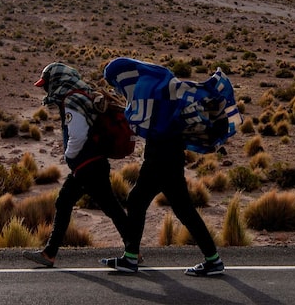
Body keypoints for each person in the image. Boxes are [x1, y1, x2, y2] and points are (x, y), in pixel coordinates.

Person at [100, 57, 241, 277]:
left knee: (138, 201)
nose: (117, 88)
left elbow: (141, 120)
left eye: (115, 83)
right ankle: (213, 260)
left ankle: (130, 258)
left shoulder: (148, 90)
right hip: (170, 155)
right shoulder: (159, 87)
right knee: (181, 208)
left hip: (161, 157)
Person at [22, 62, 128, 268]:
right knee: (102, 206)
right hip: (93, 163)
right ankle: (50, 252)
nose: (46, 89)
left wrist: (69, 155)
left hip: (87, 164)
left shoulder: (72, 100)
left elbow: (78, 134)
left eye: (47, 84)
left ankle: (50, 253)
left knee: (93, 205)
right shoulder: (82, 95)